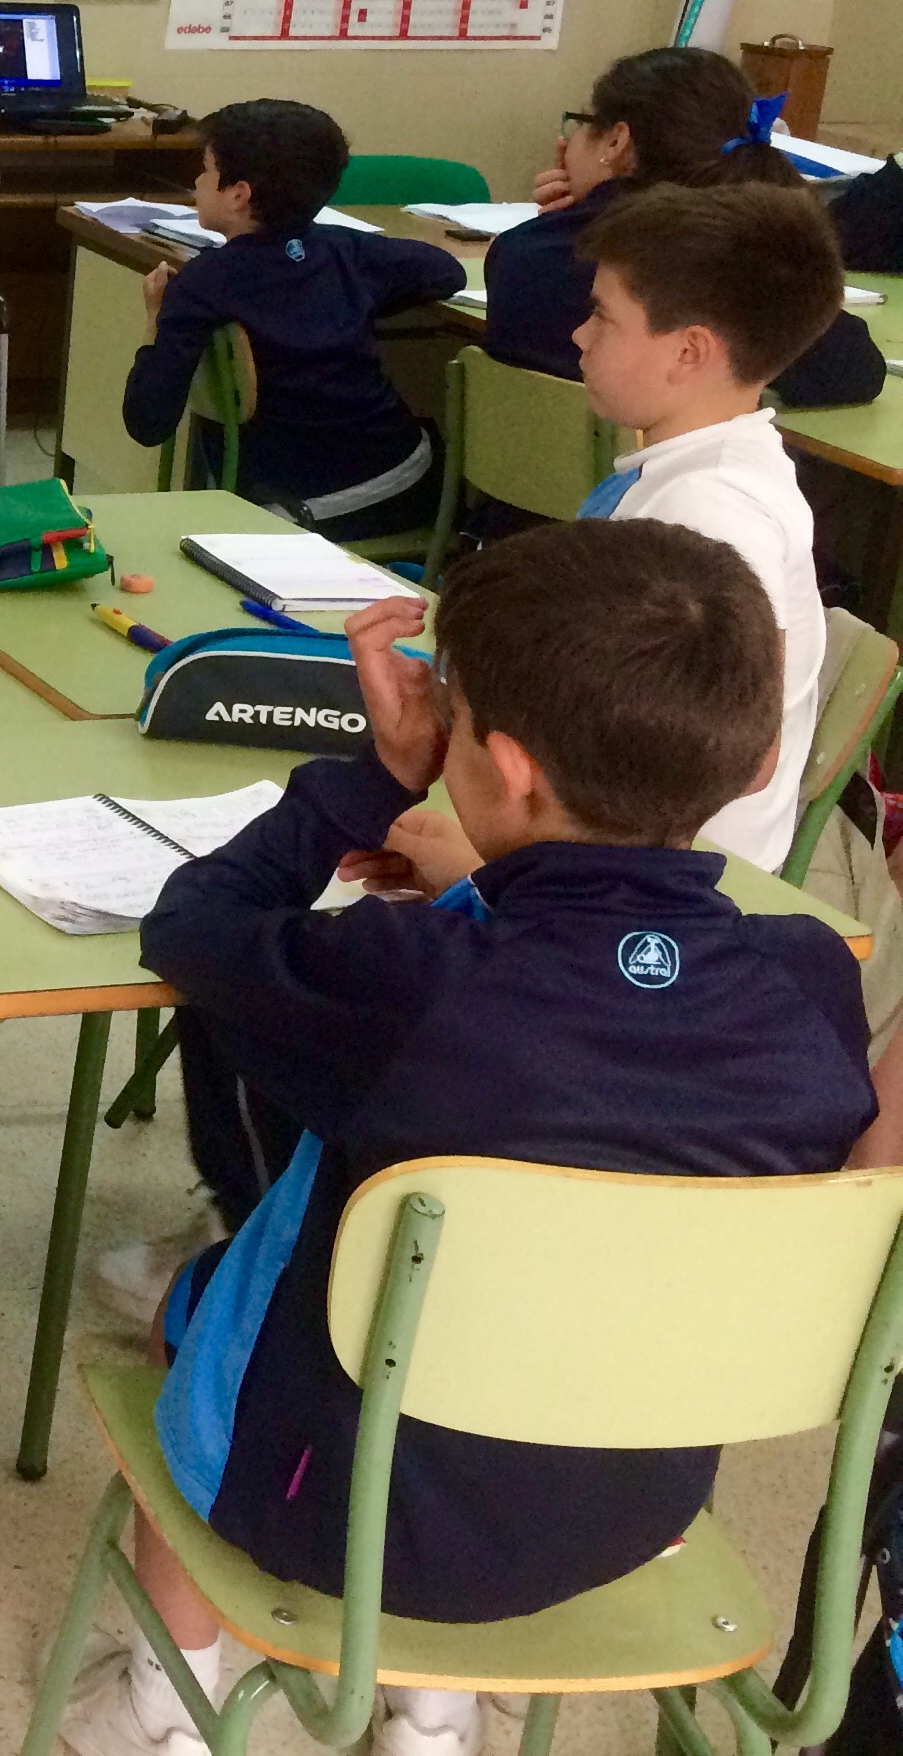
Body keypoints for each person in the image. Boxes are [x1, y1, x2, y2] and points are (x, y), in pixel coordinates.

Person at [57, 521, 875, 1756]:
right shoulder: (808, 981)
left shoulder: (412, 978)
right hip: (628, 1511)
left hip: (339, 1521)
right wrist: (480, 884)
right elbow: (610, 1015)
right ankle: (432, 1718)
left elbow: (193, 929)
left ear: (499, 763)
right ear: (761, 764)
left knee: (203, 1309)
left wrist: (374, 775)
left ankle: (157, 1708)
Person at [567, 183, 843, 871]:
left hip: (668, 870)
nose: (580, 335)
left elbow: (743, 757)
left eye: (602, 316)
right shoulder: (691, 469)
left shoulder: (712, 507)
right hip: (626, 831)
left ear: (689, 352)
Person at [121, 101, 466, 539]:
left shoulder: (201, 284)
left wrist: (155, 317)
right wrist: (353, 301)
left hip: (304, 505)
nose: (197, 182)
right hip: (408, 474)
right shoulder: (346, 251)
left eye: (205, 171)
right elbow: (447, 272)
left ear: (238, 195)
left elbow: (147, 422)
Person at [484, 44, 881, 409]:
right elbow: (855, 368)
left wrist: (564, 221)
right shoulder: (720, 266)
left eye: (582, 125)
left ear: (616, 142)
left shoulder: (520, 252)